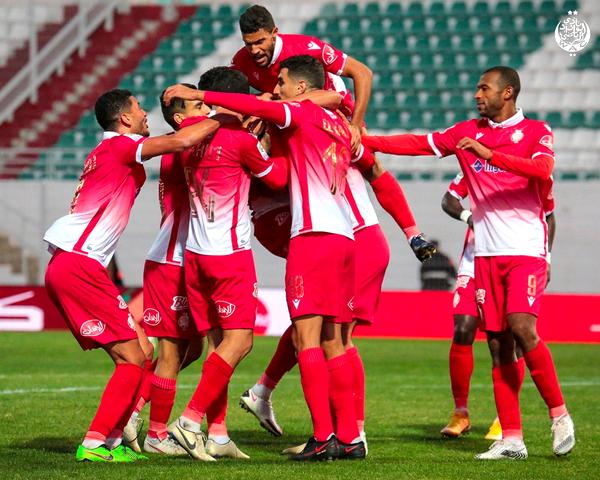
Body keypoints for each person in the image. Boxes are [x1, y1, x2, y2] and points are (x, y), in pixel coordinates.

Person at [362, 66, 574, 460]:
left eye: (484, 88)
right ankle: (512, 438)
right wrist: (366, 141)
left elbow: (542, 169)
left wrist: (490, 154)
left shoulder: (536, 132)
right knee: (497, 343)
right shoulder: (466, 132)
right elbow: (419, 143)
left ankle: (559, 414)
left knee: (522, 328)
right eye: (477, 88)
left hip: (526, 249)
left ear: (507, 92)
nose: (477, 94)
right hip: (486, 254)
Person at [164, 55, 367, 461]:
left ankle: (322, 436)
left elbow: (260, 108)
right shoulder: (340, 123)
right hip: (346, 237)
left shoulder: (295, 113)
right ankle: (350, 439)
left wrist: (198, 94)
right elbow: (334, 94)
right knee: (336, 340)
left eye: (283, 82)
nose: (276, 87)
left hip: (310, 237)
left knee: (306, 339)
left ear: (300, 88)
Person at [43, 89, 223, 462]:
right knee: (130, 357)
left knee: (142, 351)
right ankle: (94, 443)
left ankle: (112, 441)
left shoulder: (106, 152)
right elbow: (183, 139)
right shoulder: (119, 147)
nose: (145, 115)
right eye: (139, 109)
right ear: (124, 119)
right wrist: (231, 115)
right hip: (78, 265)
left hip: (77, 264)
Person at [231, 4, 435, 262]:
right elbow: (232, 95)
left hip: (330, 109)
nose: (255, 50)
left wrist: (355, 124)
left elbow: (362, 72)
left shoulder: (306, 47)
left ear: (275, 32)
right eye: (249, 44)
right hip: (287, 116)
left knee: (370, 166)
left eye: (260, 41)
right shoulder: (241, 61)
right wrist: (261, 102)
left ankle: (412, 234)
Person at [167, 67, 288, 461]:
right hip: (228, 256)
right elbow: (276, 178)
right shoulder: (239, 141)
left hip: (196, 258)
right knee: (241, 342)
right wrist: (285, 144)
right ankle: (188, 422)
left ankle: (217, 434)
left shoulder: (189, 139)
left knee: (219, 347)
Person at [122, 84, 211, 456]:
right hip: (171, 261)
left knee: (194, 349)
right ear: (180, 118)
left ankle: (136, 410)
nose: (208, 109)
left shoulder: (184, 142)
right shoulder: (180, 147)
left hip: (183, 258)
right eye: (200, 105)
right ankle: (157, 435)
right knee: (173, 350)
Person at [439, 173, 556, 440]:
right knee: (463, 328)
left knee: (513, 338)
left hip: (516, 260)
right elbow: (448, 200)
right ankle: (460, 412)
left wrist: (546, 258)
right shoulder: (475, 167)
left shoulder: (529, 170)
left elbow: (549, 215)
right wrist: (469, 217)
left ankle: (504, 419)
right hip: (475, 260)